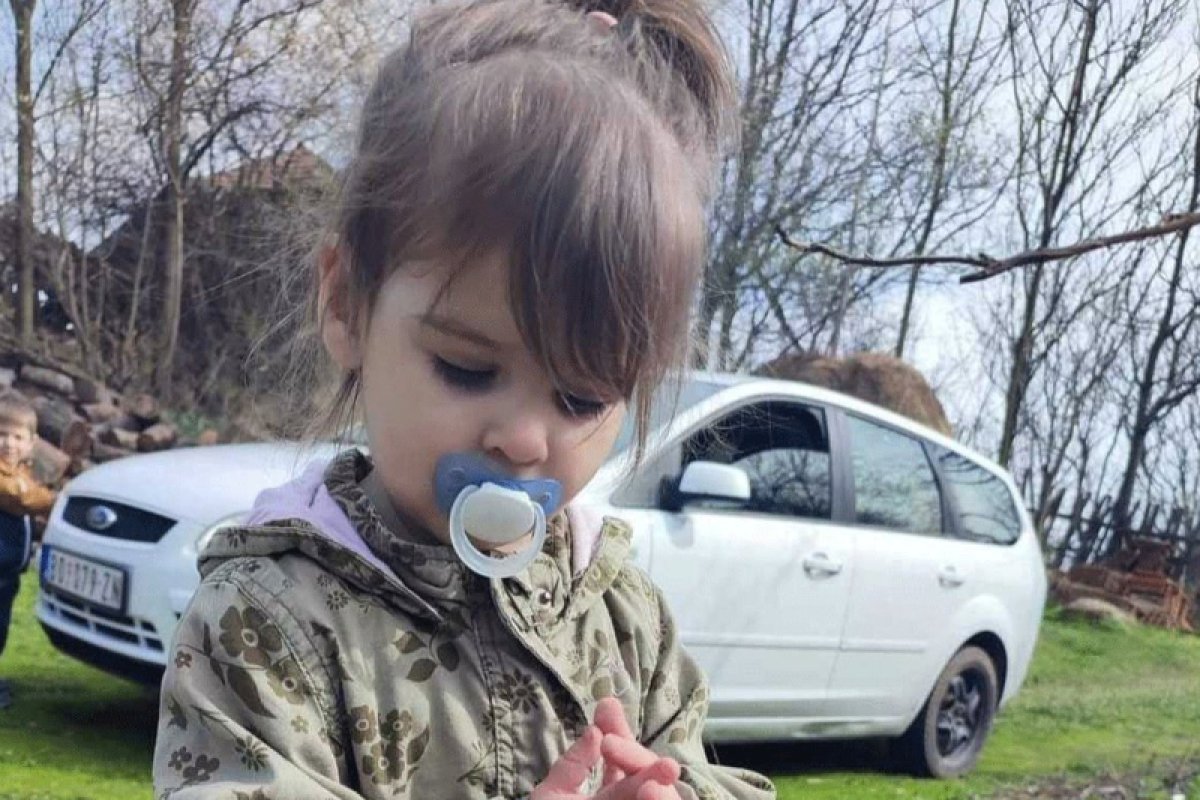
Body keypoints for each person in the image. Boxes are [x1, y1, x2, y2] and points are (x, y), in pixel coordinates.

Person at [153, 0, 775, 797]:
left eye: (582, 397)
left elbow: (708, 771)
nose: (523, 439)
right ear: (347, 304)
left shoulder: (622, 618)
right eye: (467, 369)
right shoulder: (268, 620)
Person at [0, 390, 57, 711]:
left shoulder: (23, 474)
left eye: (17, 437)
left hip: (8, 575)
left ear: (31, 442)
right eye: (1, 435)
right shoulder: (7, 480)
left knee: (1, 630)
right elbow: (20, 498)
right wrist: (53, 501)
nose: (8, 443)